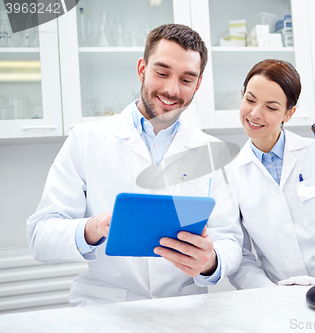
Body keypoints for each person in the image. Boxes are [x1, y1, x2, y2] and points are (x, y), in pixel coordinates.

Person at [27, 24, 242, 306]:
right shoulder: (85, 141)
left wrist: (210, 261)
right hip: (106, 308)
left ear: (198, 84)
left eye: (187, 79)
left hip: (184, 309)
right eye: (161, 73)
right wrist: (93, 228)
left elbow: (230, 240)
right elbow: (40, 236)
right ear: (142, 68)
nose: (171, 89)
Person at [227, 59, 315, 289]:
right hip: (279, 296)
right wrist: (271, 293)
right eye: (250, 100)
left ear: (289, 113)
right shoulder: (231, 175)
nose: (255, 113)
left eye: (271, 107)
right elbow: (242, 257)